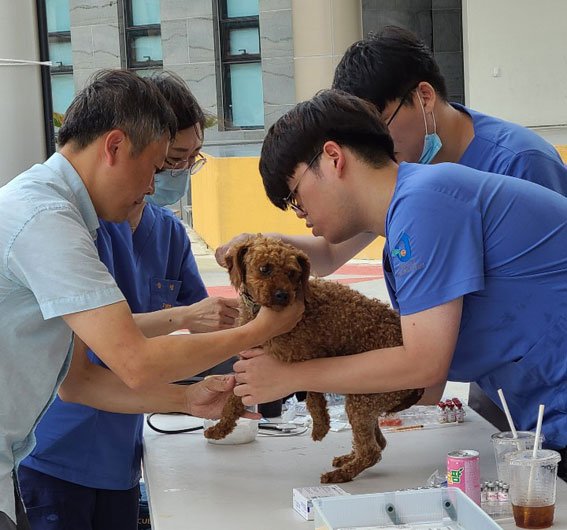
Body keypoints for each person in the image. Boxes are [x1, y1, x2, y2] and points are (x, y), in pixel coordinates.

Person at [0, 69, 303, 529]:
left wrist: (186, 400)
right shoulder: (46, 219)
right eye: (158, 166)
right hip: (52, 458)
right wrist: (261, 328)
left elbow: (79, 380)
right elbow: (134, 360)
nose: (151, 187)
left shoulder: (69, 215)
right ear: (116, 147)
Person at [216, 26, 567, 422]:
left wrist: (288, 376)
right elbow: (426, 379)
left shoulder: (427, 201)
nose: (301, 213)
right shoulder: (409, 200)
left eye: (296, 196)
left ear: (333, 157)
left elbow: (424, 364)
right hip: (532, 402)